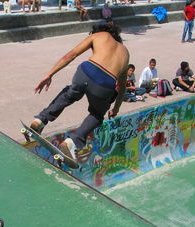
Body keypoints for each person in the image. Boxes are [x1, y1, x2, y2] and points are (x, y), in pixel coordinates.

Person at [30, 23, 129, 162]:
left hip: (85, 71)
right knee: (97, 114)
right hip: (105, 84)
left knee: (69, 93)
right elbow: (122, 87)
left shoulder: (98, 35)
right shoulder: (125, 52)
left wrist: (49, 74)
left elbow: (71, 55)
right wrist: (115, 109)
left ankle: (40, 120)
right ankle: (72, 142)